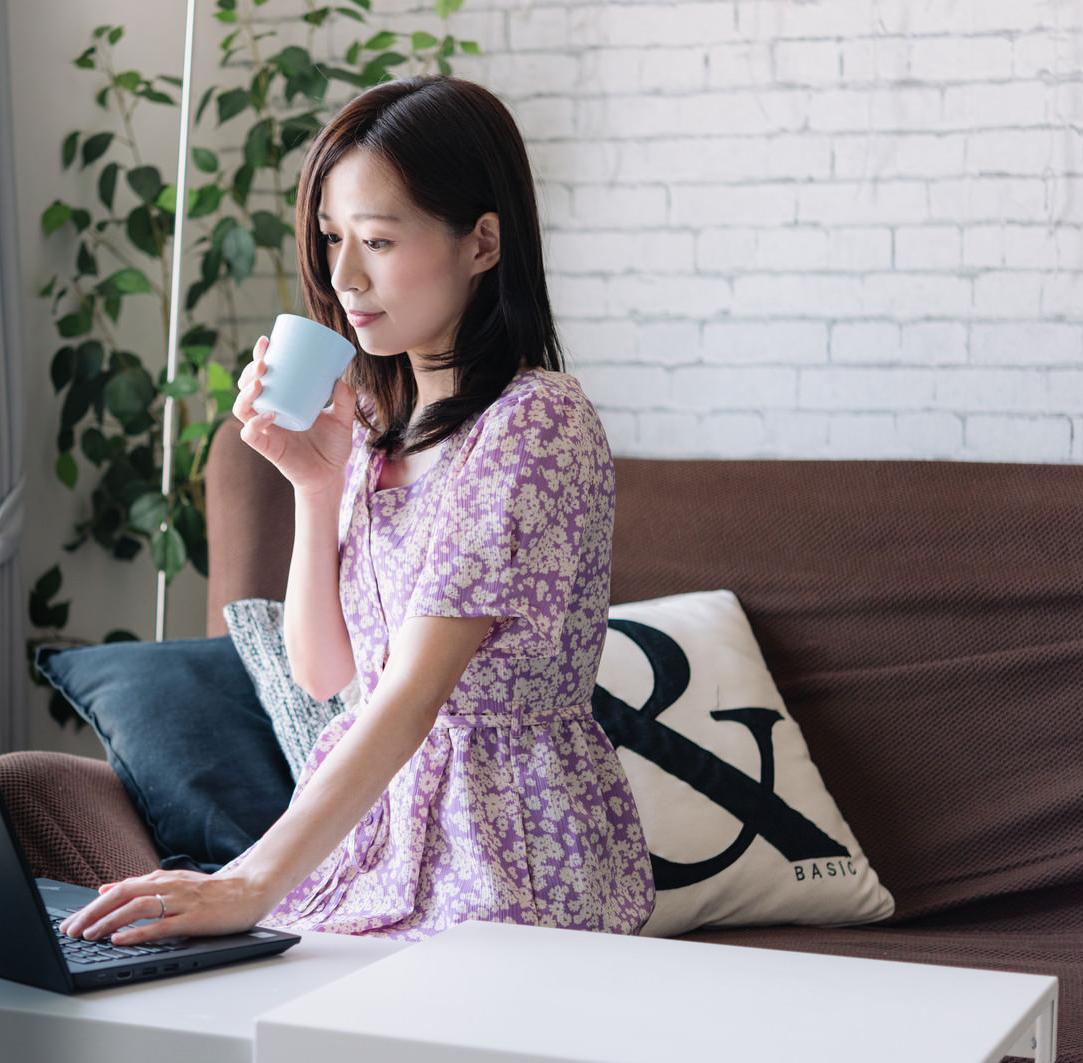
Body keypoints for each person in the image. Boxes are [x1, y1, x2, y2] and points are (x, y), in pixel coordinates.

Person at [59, 75, 654, 945]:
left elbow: (413, 695)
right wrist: (315, 483)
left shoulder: (535, 423)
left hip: (504, 853)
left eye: (376, 240)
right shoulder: (375, 426)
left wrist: (251, 879)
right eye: (334, 238)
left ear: (483, 242)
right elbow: (327, 677)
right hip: (370, 835)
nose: (342, 276)